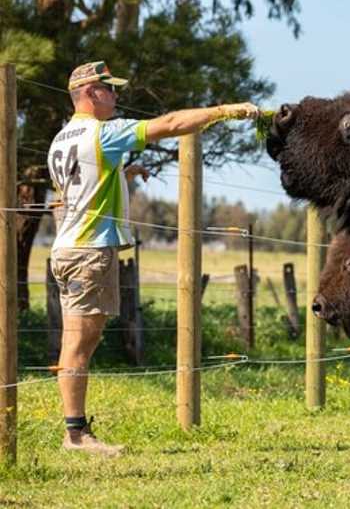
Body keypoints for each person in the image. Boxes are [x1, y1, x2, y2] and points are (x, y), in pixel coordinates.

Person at [47, 61, 259, 456]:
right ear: (92, 92)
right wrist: (224, 111)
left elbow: (81, 188)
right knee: (78, 343)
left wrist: (124, 175)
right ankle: (75, 435)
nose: (116, 95)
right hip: (89, 252)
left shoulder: (61, 139)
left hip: (67, 247)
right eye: (110, 89)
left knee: (81, 340)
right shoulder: (104, 133)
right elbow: (173, 122)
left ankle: (76, 430)